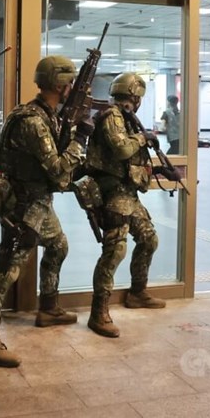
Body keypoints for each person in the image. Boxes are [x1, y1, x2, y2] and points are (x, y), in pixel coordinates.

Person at [0, 55, 93, 368]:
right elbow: (57, 171)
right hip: (24, 205)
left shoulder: (47, 114)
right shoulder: (34, 121)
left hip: (40, 202)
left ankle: (49, 307)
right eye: (70, 83)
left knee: (58, 246)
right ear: (59, 85)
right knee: (6, 272)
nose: (73, 89)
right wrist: (80, 140)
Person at [82, 73, 165, 339]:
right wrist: (144, 138)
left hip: (128, 194)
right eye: (137, 98)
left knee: (149, 239)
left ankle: (138, 292)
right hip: (113, 193)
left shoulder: (126, 118)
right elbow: (120, 149)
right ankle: (99, 312)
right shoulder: (112, 117)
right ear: (134, 97)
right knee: (114, 251)